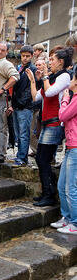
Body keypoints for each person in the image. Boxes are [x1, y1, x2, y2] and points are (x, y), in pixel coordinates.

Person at [28, 47, 74, 206]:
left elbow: (49, 93)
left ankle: (49, 194)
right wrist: (33, 80)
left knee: (43, 159)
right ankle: (47, 192)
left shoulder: (64, 76)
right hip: (47, 123)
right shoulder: (52, 77)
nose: (49, 62)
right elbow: (36, 97)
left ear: (61, 62)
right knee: (41, 158)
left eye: (52, 59)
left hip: (55, 123)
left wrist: (45, 75)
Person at [50, 68, 77, 234]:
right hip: (70, 147)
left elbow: (63, 115)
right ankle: (66, 218)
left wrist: (65, 99)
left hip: (75, 147)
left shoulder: (74, 99)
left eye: (73, 78)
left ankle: (75, 222)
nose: (71, 81)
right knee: (62, 185)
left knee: (71, 187)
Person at [11, 45, 37, 167]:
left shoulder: (32, 69)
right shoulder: (18, 68)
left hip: (25, 107)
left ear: (31, 56)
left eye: (27, 56)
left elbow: (29, 90)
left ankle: (22, 157)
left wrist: (20, 103)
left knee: (24, 133)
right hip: (17, 105)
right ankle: (20, 156)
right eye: (23, 56)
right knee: (18, 134)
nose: (25, 58)